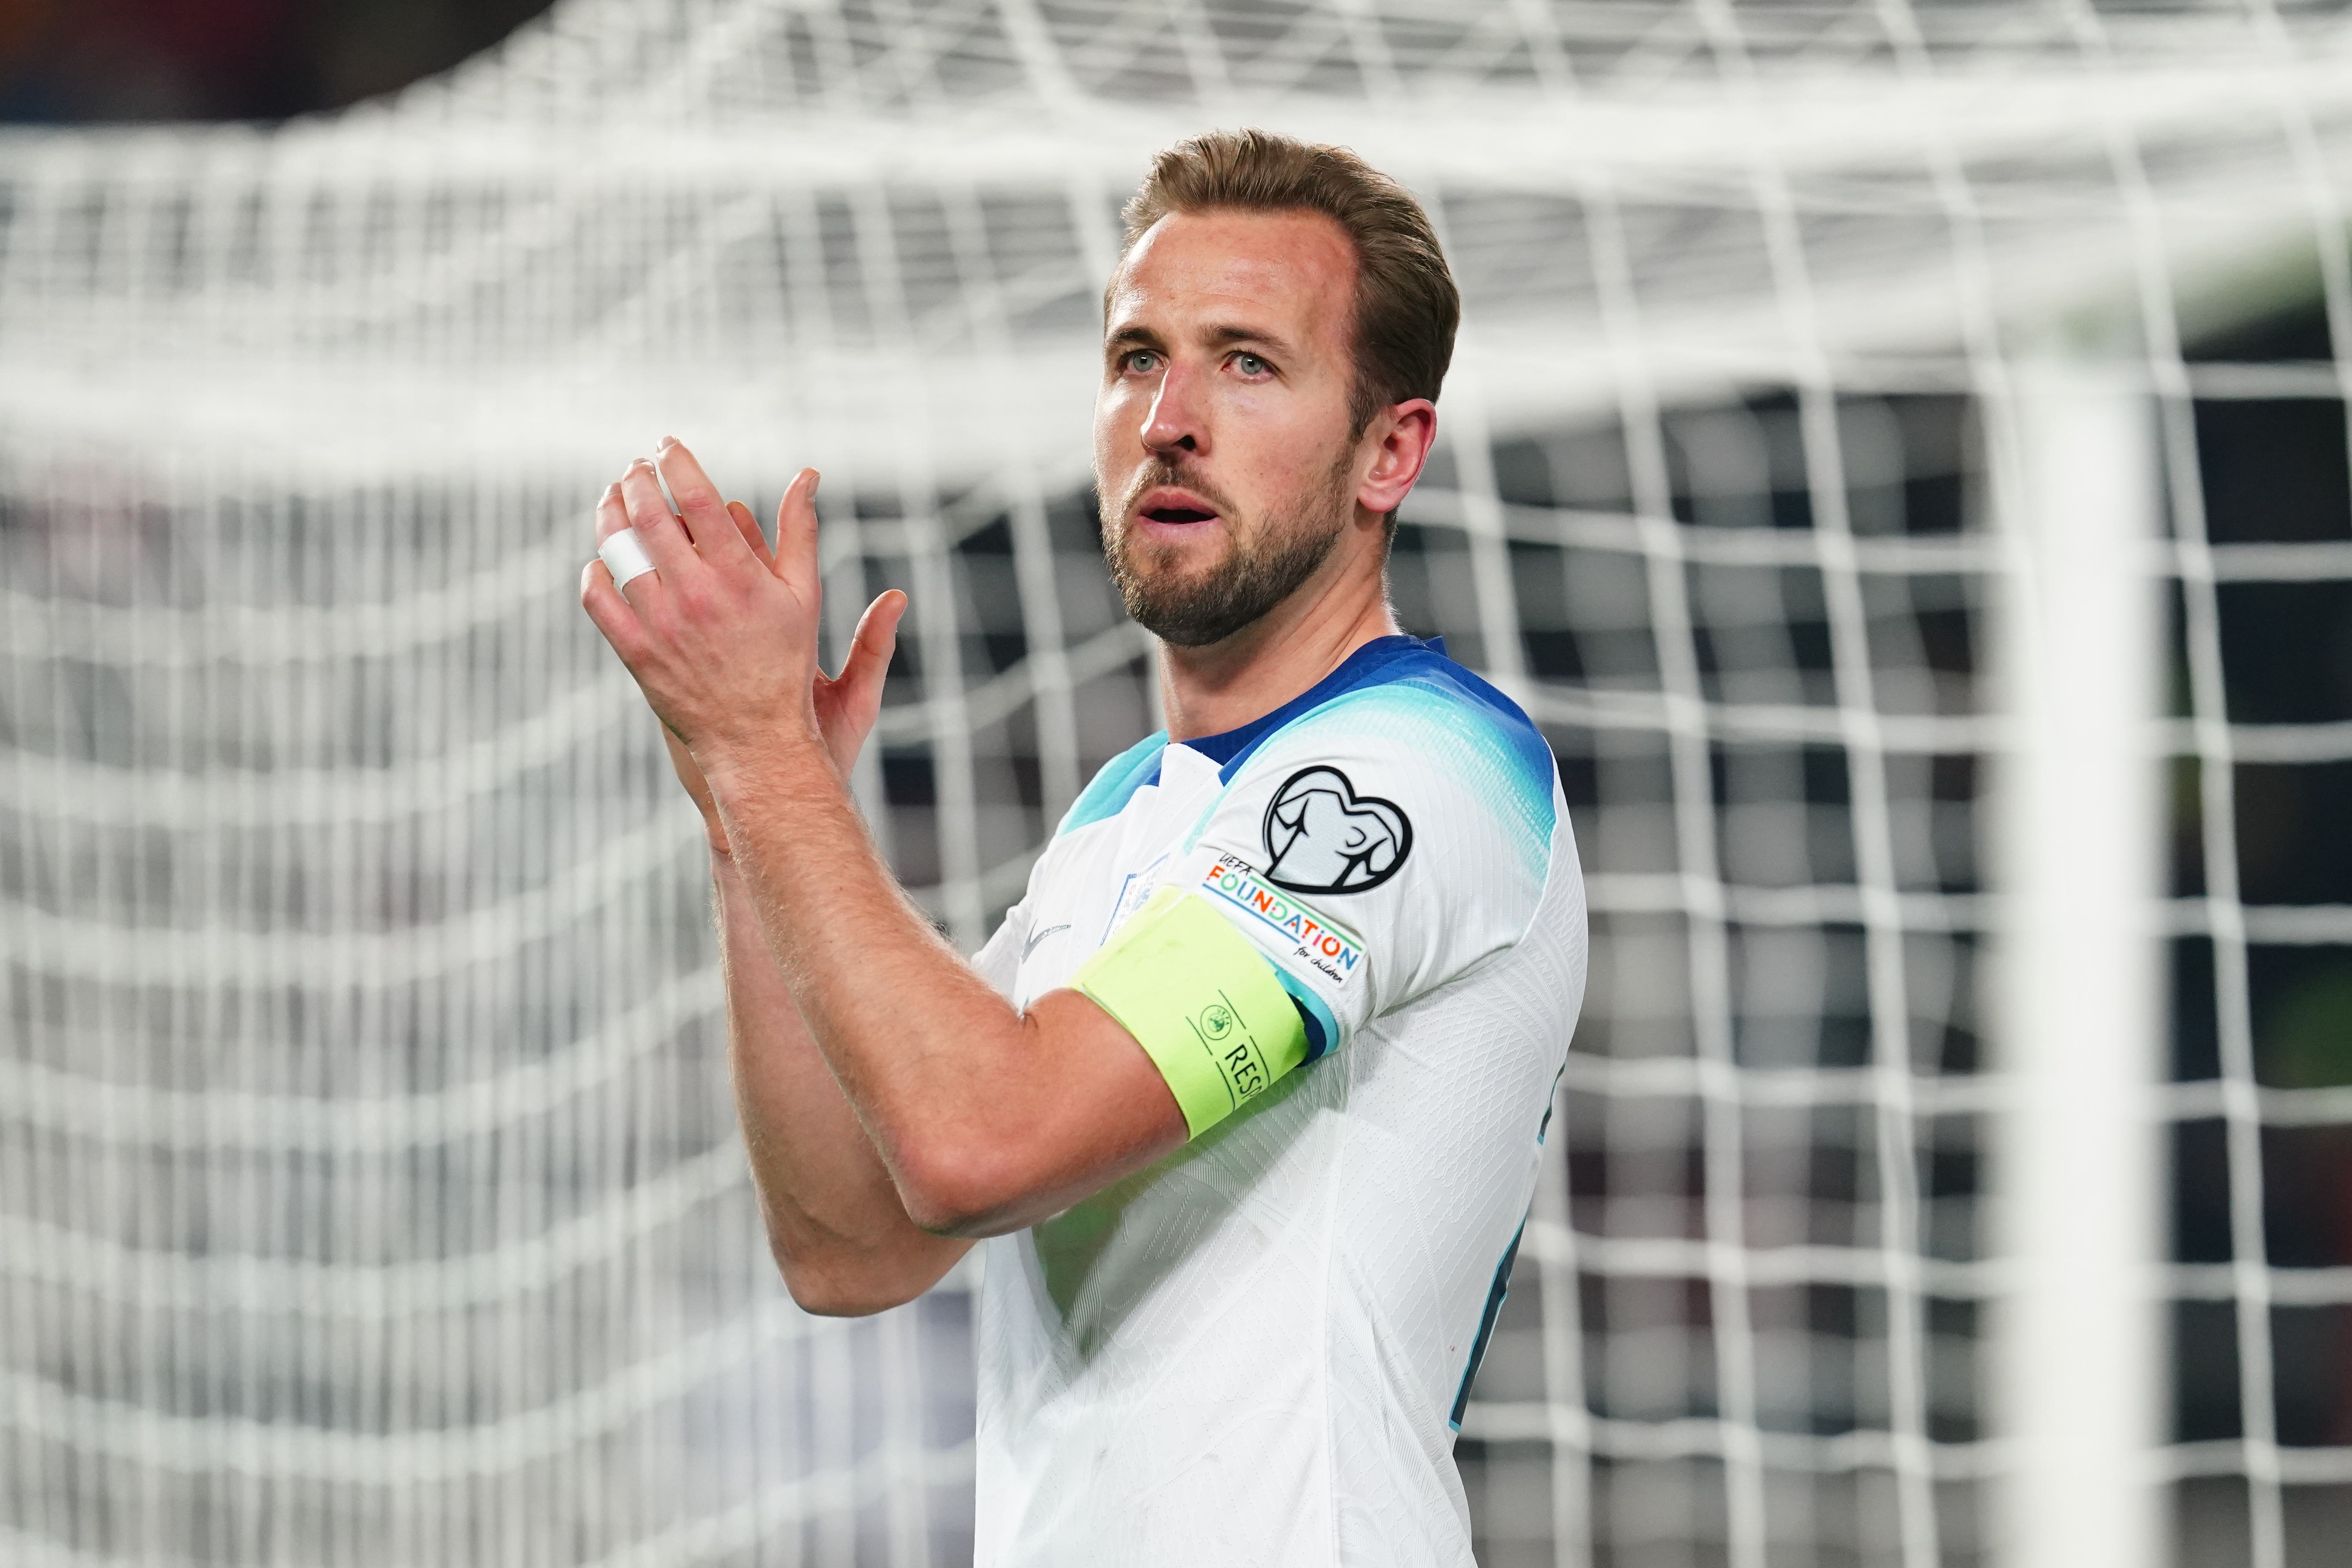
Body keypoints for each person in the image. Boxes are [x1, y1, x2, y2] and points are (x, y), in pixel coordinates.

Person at [581, 128, 1587, 1568]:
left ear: (1390, 450)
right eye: (1137, 357)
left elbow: (981, 1142)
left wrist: (765, 756)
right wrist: (750, 808)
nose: (1171, 416)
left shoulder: (1425, 772)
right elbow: (853, 1241)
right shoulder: (1125, 812)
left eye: (1248, 362)